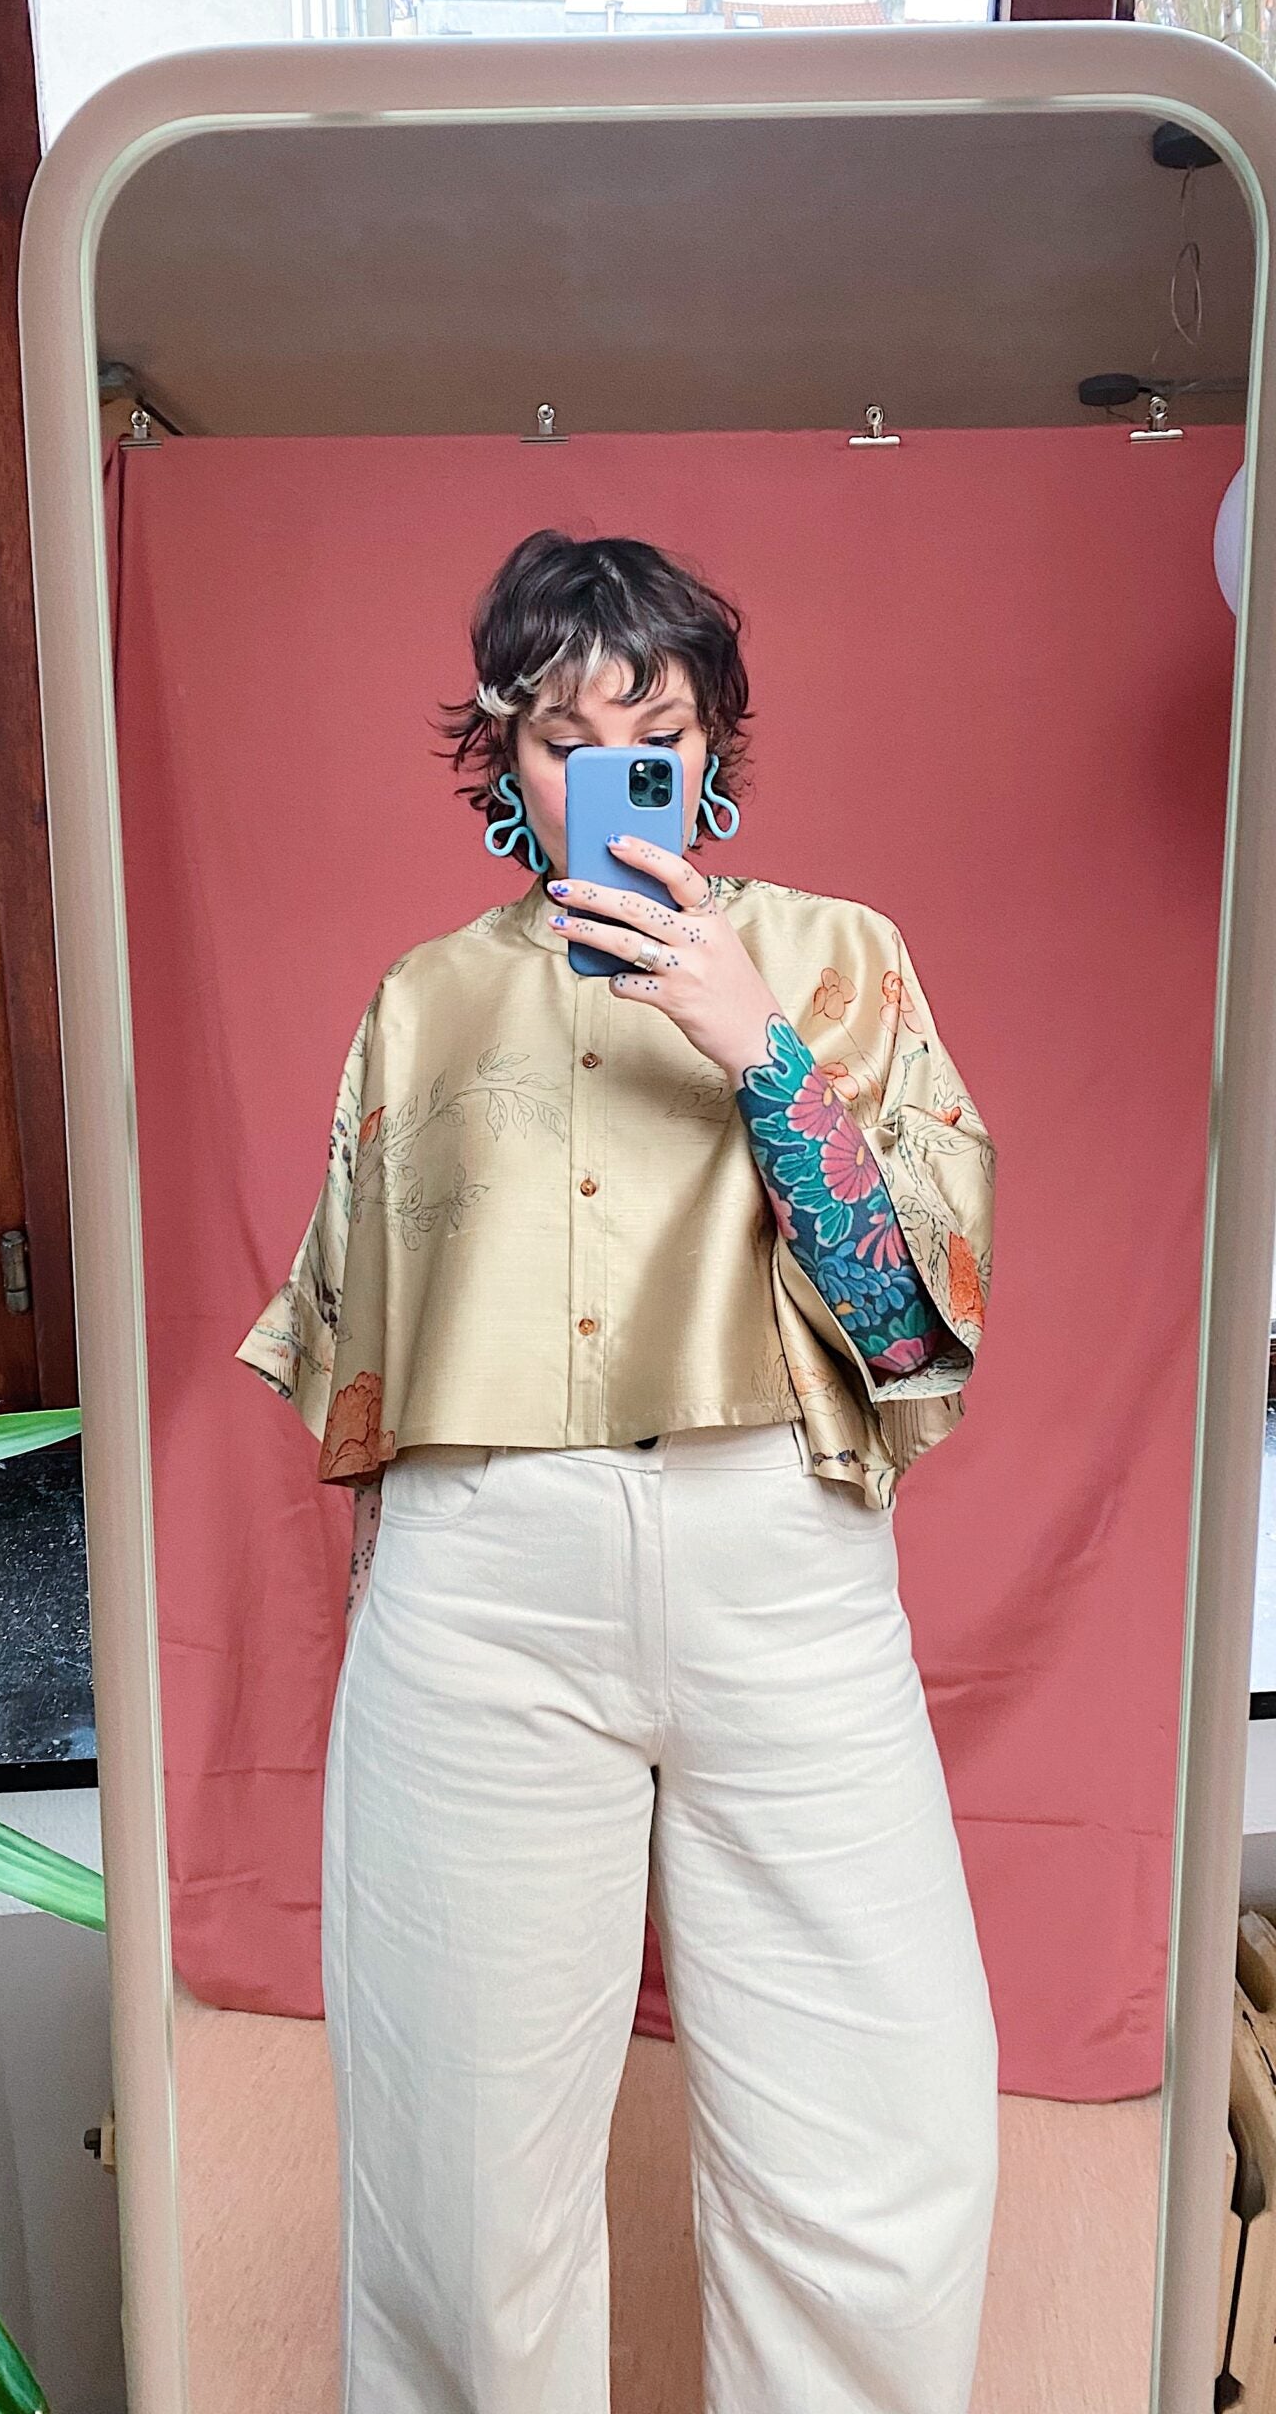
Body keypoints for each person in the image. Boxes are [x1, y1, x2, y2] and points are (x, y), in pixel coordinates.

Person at [236, 528, 1000, 2414]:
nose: (607, 775)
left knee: (879, 2163)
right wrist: (392, 1611)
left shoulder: (839, 959)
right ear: (505, 763)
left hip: (781, 1561)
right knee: (459, 2195)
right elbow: (364, 1379)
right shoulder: (424, 1003)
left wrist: (753, 1042)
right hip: (480, 1585)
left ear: (715, 743)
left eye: (652, 735)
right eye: (562, 739)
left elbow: (910, 1330)